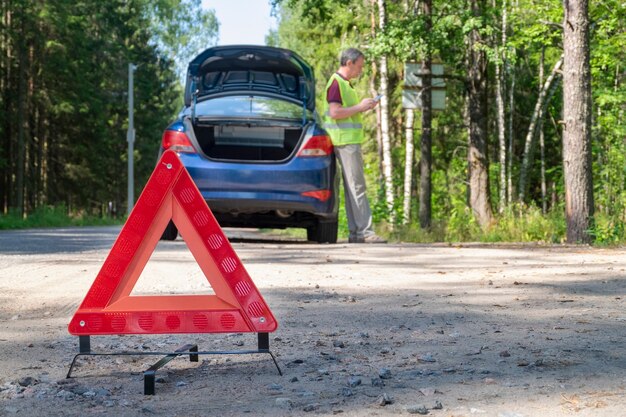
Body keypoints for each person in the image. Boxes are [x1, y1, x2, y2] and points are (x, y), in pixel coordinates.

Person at [324, 48, 387, 244]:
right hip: (345, 141)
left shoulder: (344, 84)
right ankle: (366, 232)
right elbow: (335, 113)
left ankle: (356, 233)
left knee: (352, 188)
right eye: (359, 66)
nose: (361, 70)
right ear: (349, 63)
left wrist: (364, 107)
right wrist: (360, 106)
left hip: (346, 140)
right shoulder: (337, 83)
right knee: (357, 187)